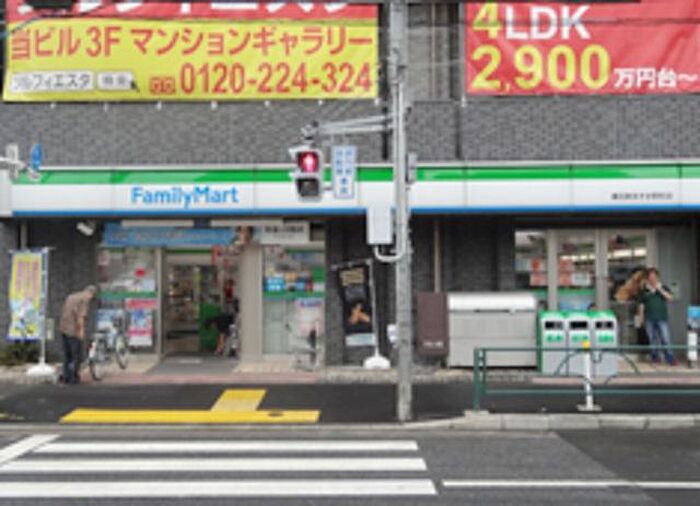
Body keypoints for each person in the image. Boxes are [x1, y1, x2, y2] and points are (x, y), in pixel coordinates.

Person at [59, 285, 97, 384]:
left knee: (67, 355)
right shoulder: (85, 299)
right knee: (76, 355)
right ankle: (73, 377)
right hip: (73, 331)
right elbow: (81, 317)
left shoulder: (71, 296)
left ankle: (66, 376)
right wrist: (81, 332)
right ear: (91, 294)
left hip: (64, 328)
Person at [638, 268, 677, 365]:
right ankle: (655, 358)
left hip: (662, 318)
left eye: (654, 277)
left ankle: (670, 358)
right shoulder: (644, 290)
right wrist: (641, 318)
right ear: (647, 278)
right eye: (650, 277)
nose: (652, 279)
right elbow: (641, 305)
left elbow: (670, 298)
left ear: (657, 277)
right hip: (649, 318)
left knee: (665, 339)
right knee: (652, 340)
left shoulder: (663, 287)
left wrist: (659, 289)